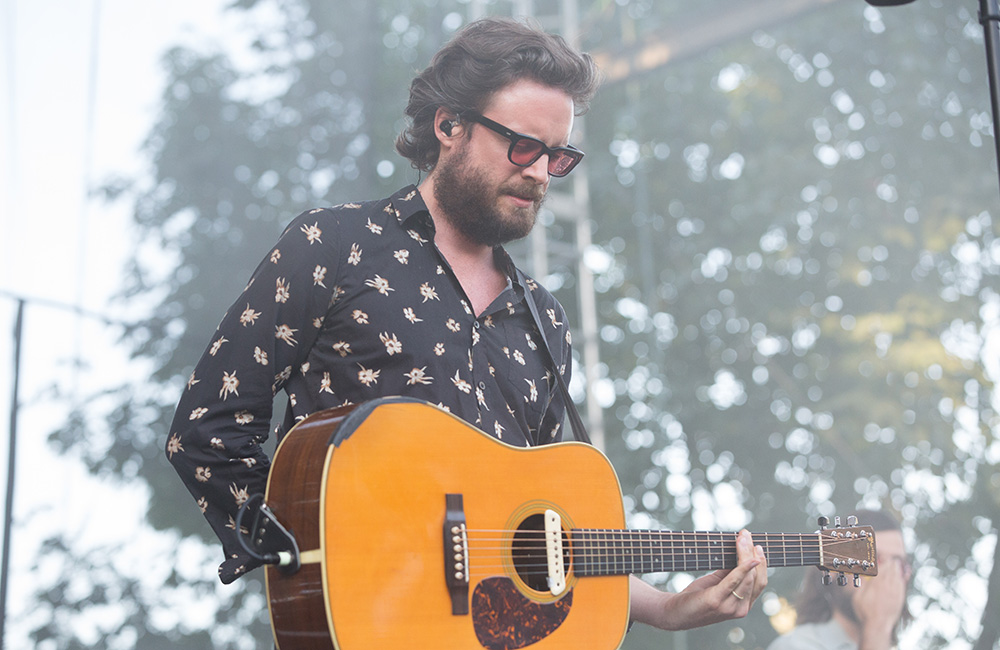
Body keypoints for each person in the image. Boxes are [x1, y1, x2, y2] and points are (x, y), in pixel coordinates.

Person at [165, 15, 768, 636]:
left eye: (557, 156)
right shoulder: (335, 244)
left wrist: (666, 610)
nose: (540, 172)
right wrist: (313, 563)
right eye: (523, 146)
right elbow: (207, 433)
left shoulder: (546, 321)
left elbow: (541, 537)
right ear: (449, 126)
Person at [768, 510, 912, 650]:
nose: (888, 576)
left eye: (899, 565)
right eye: (874, 560)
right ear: (834, 566)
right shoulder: (794, 645)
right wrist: (878, 624)